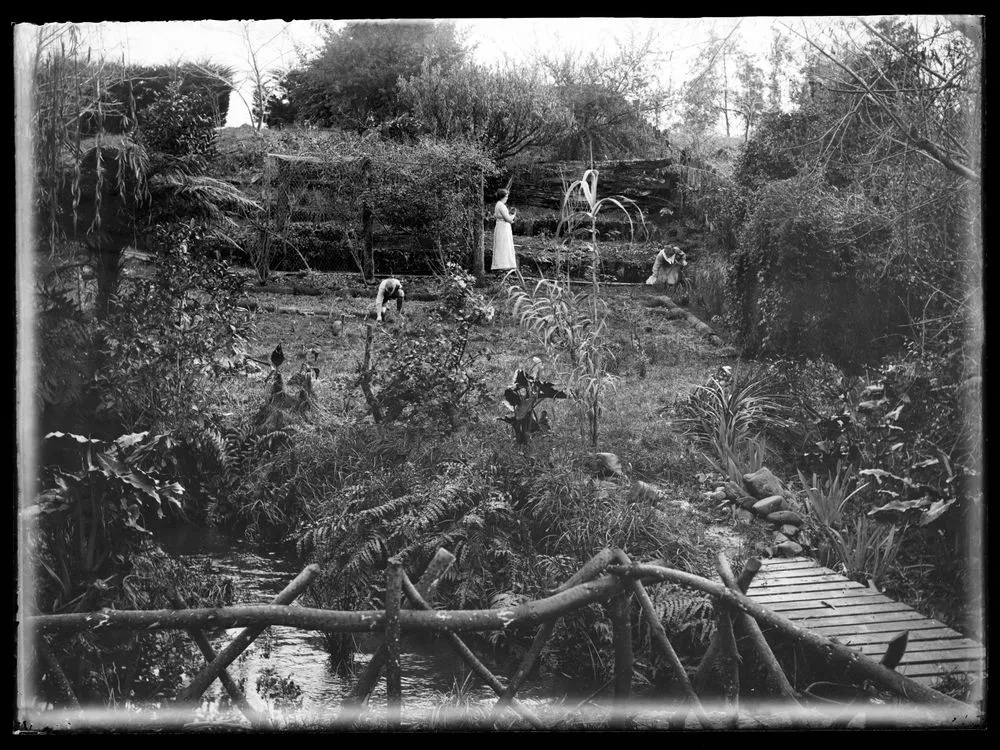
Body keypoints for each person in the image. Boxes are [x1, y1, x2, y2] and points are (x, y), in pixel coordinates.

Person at [491, 188, 518, 272]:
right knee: (503, 245)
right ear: (502, 197)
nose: (507, 198)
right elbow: (508, 219)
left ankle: (503, 265)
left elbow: (497, 216)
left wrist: (509, 216)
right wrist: (513, 215)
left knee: (503, 245)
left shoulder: (498, 205)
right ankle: (502, 266)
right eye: (506, 196)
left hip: (502, 226)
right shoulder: (501, 206)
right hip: (503, 227)